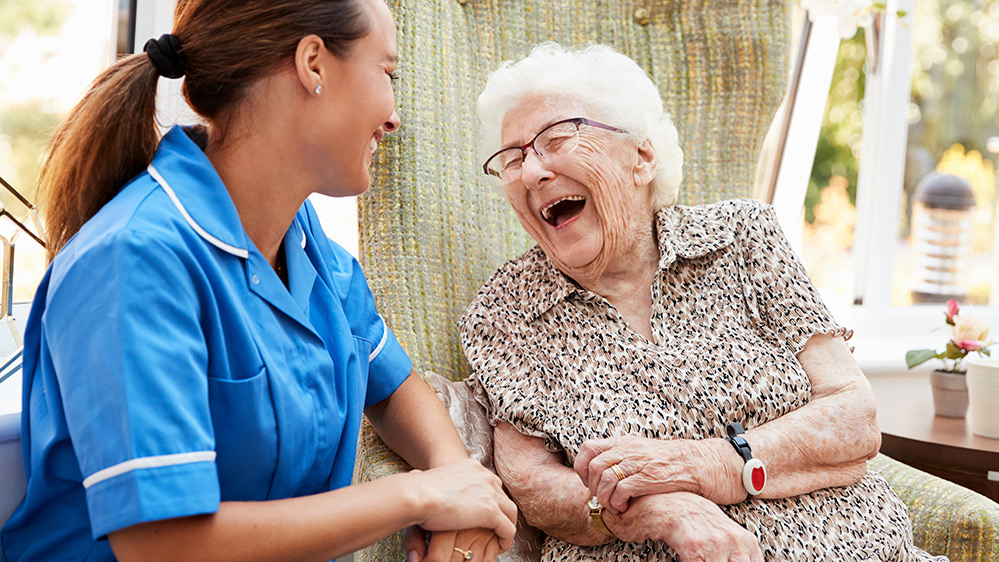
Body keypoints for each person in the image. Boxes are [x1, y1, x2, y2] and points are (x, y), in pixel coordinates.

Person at [0, 0, 518, 561]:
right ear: (313, 64)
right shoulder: (133, 259)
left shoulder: (300, 239)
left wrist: (459, 481)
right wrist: (418, 496)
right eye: (386, 73)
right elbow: (162, 544)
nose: (394, 115)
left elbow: (390, 386)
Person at [459, 42, 946, 562]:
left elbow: (852, 417)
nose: (532, 172)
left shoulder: (742, 237)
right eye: (513, 159)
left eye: (557, 138)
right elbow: (534, 488)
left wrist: (703, 466)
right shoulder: (505, 312)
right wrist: (660, 512)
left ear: (641, 158)